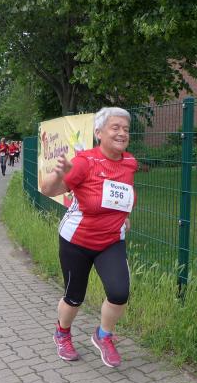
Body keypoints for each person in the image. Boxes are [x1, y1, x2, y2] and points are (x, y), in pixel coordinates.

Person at [40, 107, 137, 367]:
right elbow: (47, 189)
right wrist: (59, 173)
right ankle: (62, 333)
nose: (122, 133)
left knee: (119, 293)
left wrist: (123, 215)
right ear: (98, 133)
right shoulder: (85, 162)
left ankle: (103, 335)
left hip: (111, 240)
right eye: (115, 127)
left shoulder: (130, 162)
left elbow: (121, 193)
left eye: (126, 129)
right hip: (77, 240)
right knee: (74, 296)